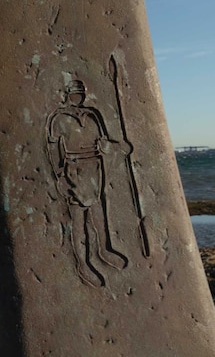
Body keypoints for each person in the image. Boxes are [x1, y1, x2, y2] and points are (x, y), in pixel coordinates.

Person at [45, 79, 128, 286]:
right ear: (67, 95)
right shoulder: (59, 118)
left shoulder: (92, 115)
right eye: (74, 94)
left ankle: (104, 250)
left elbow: (103, 143)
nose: (77, 98)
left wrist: (119, 147)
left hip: (95, 167)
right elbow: (54, 149)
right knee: (79, 218)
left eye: (80, 94)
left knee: (99, 211)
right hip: (74, 168)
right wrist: (60, 175)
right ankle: (83, 263)